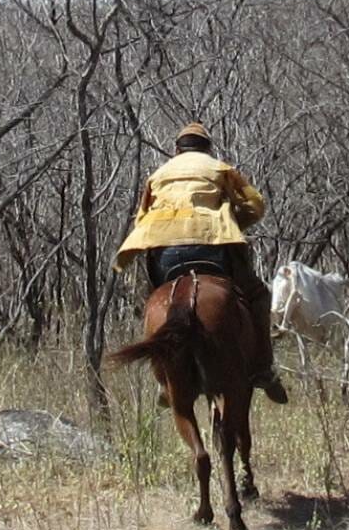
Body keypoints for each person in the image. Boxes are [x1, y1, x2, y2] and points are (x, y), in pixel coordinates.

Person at [113, 122, 288, 404]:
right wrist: (235, 223)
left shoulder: (157, 176)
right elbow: (256, 205)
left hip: (166, 252)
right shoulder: (219, 169)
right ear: (208, 148)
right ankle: (263, 368)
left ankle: (165, 379)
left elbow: (141, 218)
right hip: (213, 246)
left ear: (176, 150)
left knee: (154, 300)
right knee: (258, 294)